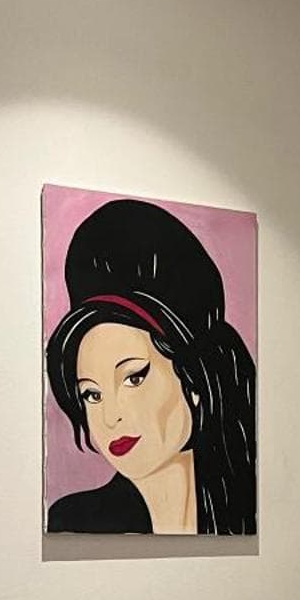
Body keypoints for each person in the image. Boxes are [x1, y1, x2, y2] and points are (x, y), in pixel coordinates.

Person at [45, 198, 256, 534]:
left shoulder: (245, 513)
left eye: (133, 378)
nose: (110, 417)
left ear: (194, 380)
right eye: (92, 394)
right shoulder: (74, 522)